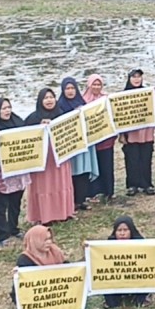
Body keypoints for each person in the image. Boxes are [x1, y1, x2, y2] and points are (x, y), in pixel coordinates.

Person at [25, 89, 76, 225]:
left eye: (51, 97)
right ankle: (44, 215)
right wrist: (39, 128)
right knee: (44, 185)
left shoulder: (62, 115)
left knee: (61, 183)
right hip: (43, 160)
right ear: (40, 101)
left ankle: (63, 212)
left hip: (60, 156)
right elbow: (25, 137)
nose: (49, 100)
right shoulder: (33, 118)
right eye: (45, 98)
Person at [0, 97, 28, 247]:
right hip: (1, 174)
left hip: (18, 171)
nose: (7, 111)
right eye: (3, 108)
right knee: (1, 205)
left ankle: (14, 228)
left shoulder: (18, 122)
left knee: (16, 201)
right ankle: (2, 235)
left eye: (9, 107)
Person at [58, 77, 99, 211]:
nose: (70, 91)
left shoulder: (82, 103)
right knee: (72, 172)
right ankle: (72, 201)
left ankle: (82, 200)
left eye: (72, 88)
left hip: (84, 143)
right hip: (70, 146)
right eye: (67, 89)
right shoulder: (60, 106)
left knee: (84, 170)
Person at [101, 216, 152, 308]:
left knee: (140, 302)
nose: (122, 233)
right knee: (112, 304)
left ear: (131, 231)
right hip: (116, 281)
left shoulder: (142, 244)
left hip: (136, 280)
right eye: (119, 230)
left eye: (125, 230)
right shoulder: (107, 245)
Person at [120, 69, 155, 196]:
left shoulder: (148, 93)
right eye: (134, 77)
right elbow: (119, 116)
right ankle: (132, 185)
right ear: (129, 79)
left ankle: (147, 184)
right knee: (131, 159)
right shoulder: (122, 95)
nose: (136, 79)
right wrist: (121, 134)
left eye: (139, 77)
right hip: (130, 134)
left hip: (146, 133)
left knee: (146, 158)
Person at [83, 75, 117, 203]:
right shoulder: (82, 101)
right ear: (89, 85)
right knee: (93, 166)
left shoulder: (106, 99)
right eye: (94, 85)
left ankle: (109, 191)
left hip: (106, 140)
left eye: (99, 85)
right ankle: (93, 192)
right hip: (92, 142)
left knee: (107, 165)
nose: (96, 87)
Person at [11, 225, 66, 302]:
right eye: (45, 239)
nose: (49, 242)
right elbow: (22, 289)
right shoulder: (25, 259)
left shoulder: (55, 251)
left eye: (50, 238)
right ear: (34, 240)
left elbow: (70, 270)